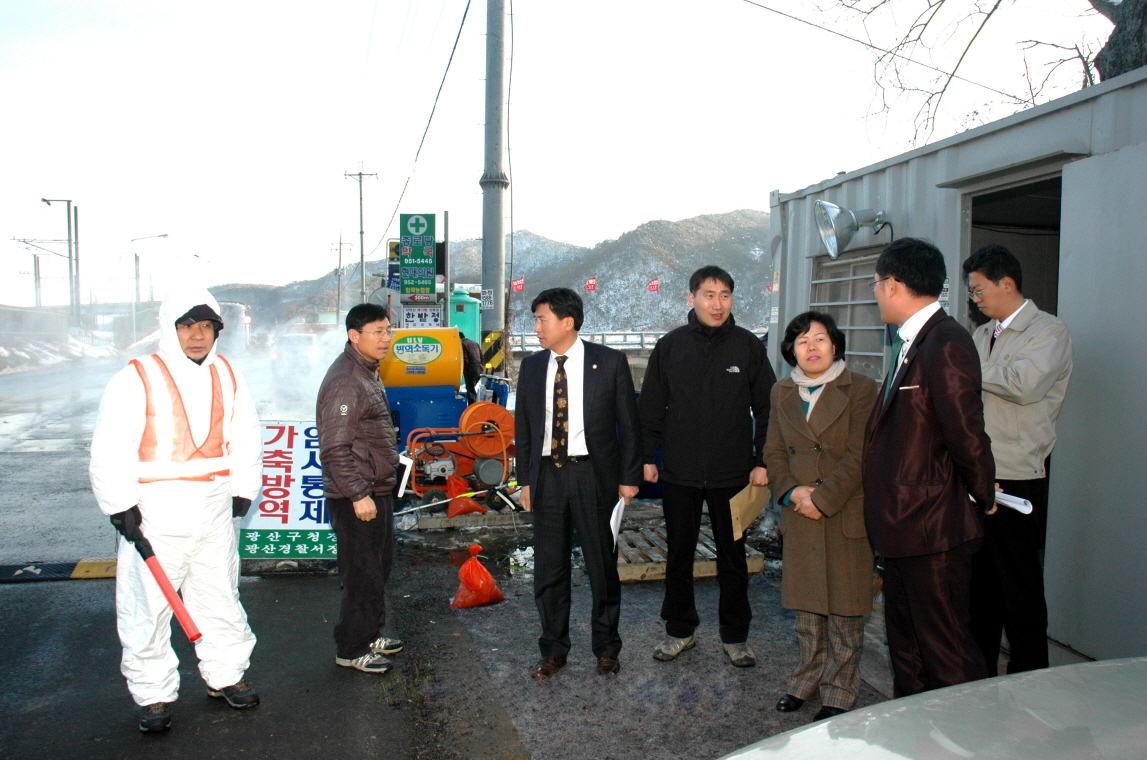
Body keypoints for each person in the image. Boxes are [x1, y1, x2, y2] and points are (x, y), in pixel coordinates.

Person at [89, 287, 263, 733]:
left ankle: (225, 676)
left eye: (206, 326)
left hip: (212, 512)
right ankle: (153, 696)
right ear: (170, 329)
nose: (197, 336)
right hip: (155, 515)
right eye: (187, 326)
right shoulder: (137, 377)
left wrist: (244, 487)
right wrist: (119, 505)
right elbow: (111, 446)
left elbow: (245, 435)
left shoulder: (227, 373)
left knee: (220, 598)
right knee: (146, 609)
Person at [864, 238, 996, 698]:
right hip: (905, 527)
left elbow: (966, 432)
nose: (875, 293)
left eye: (877, 284)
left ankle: (969, 740)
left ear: (894, 284)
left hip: (933, 528)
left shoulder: (946, 342)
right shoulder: (913, 341)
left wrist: (985, 494)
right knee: (908, 649)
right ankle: (916, 735)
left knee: (947, 654)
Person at [639, 265, 776, 667]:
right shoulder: (670, 346)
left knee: (732, 558)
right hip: (679, 471)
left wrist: (762, 460)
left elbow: (767, 407)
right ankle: (680, 631)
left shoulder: (748, 347)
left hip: (732, 474)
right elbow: (650, 407)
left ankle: (735, 637)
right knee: (678, 555)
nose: (717, 304)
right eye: (709, 295)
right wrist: (647, 457)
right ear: (691, 298)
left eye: (725, 296)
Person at [515, 288, 642, 678]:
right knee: (549, 569)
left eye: (542, 320)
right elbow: (524, 428)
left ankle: (606, 648)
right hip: (547, 476)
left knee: (602, 566)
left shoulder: (610, 362)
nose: (536, 327)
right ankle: (553, 649)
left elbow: (629, 425)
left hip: (594, 476)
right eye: (536, 320)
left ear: (567, 322)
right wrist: (524, 482)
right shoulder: (533, 367)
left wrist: (629, 478)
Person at [962, 245, 1073, 676]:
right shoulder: (981, 335)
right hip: (980, 473)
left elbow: (1023, 384)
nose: (976, 299)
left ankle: (1029, 682)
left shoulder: (1048, 331)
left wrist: (965, 366)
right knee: (980, 589)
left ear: (1006, 284)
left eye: (979, 290)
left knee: (1020, 589)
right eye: (972, 293)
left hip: (1018, 477)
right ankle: (978, 677)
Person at [765, 312, 877, 721]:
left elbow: (861, 453)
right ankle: (805, 678)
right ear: (791, 350)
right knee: (807, 605)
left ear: (835, 346)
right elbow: (773, 451)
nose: (812, 347)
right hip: (799, 511)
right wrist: (792, 492)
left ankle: (841, 687)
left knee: (846, 607)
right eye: (802, 341)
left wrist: (823, 497)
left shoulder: (862, 389)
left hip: (843, 508)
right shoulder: (781, 391)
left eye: (821, 339)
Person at [316, 303, 403, 674]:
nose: (386, 338)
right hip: (358, 496)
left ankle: (369, 632)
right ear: (355, 336)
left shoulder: (367, 371)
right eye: (378, 332)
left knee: (378, 567)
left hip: (374, 488)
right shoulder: (347, 380)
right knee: (362, 573)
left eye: (388, 330)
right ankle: (351, 647)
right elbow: (334, 447)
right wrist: (357, 494)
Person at [459, 331, 484, 404]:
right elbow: (482, 356)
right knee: (471, 388)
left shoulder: (463, 344)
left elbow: (465, 358)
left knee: (470, 389)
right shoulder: (474, 343)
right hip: (478, 368)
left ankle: (472, 406)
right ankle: (474, 404)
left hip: (470, 369)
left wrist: (465, 370)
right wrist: (481, 366)